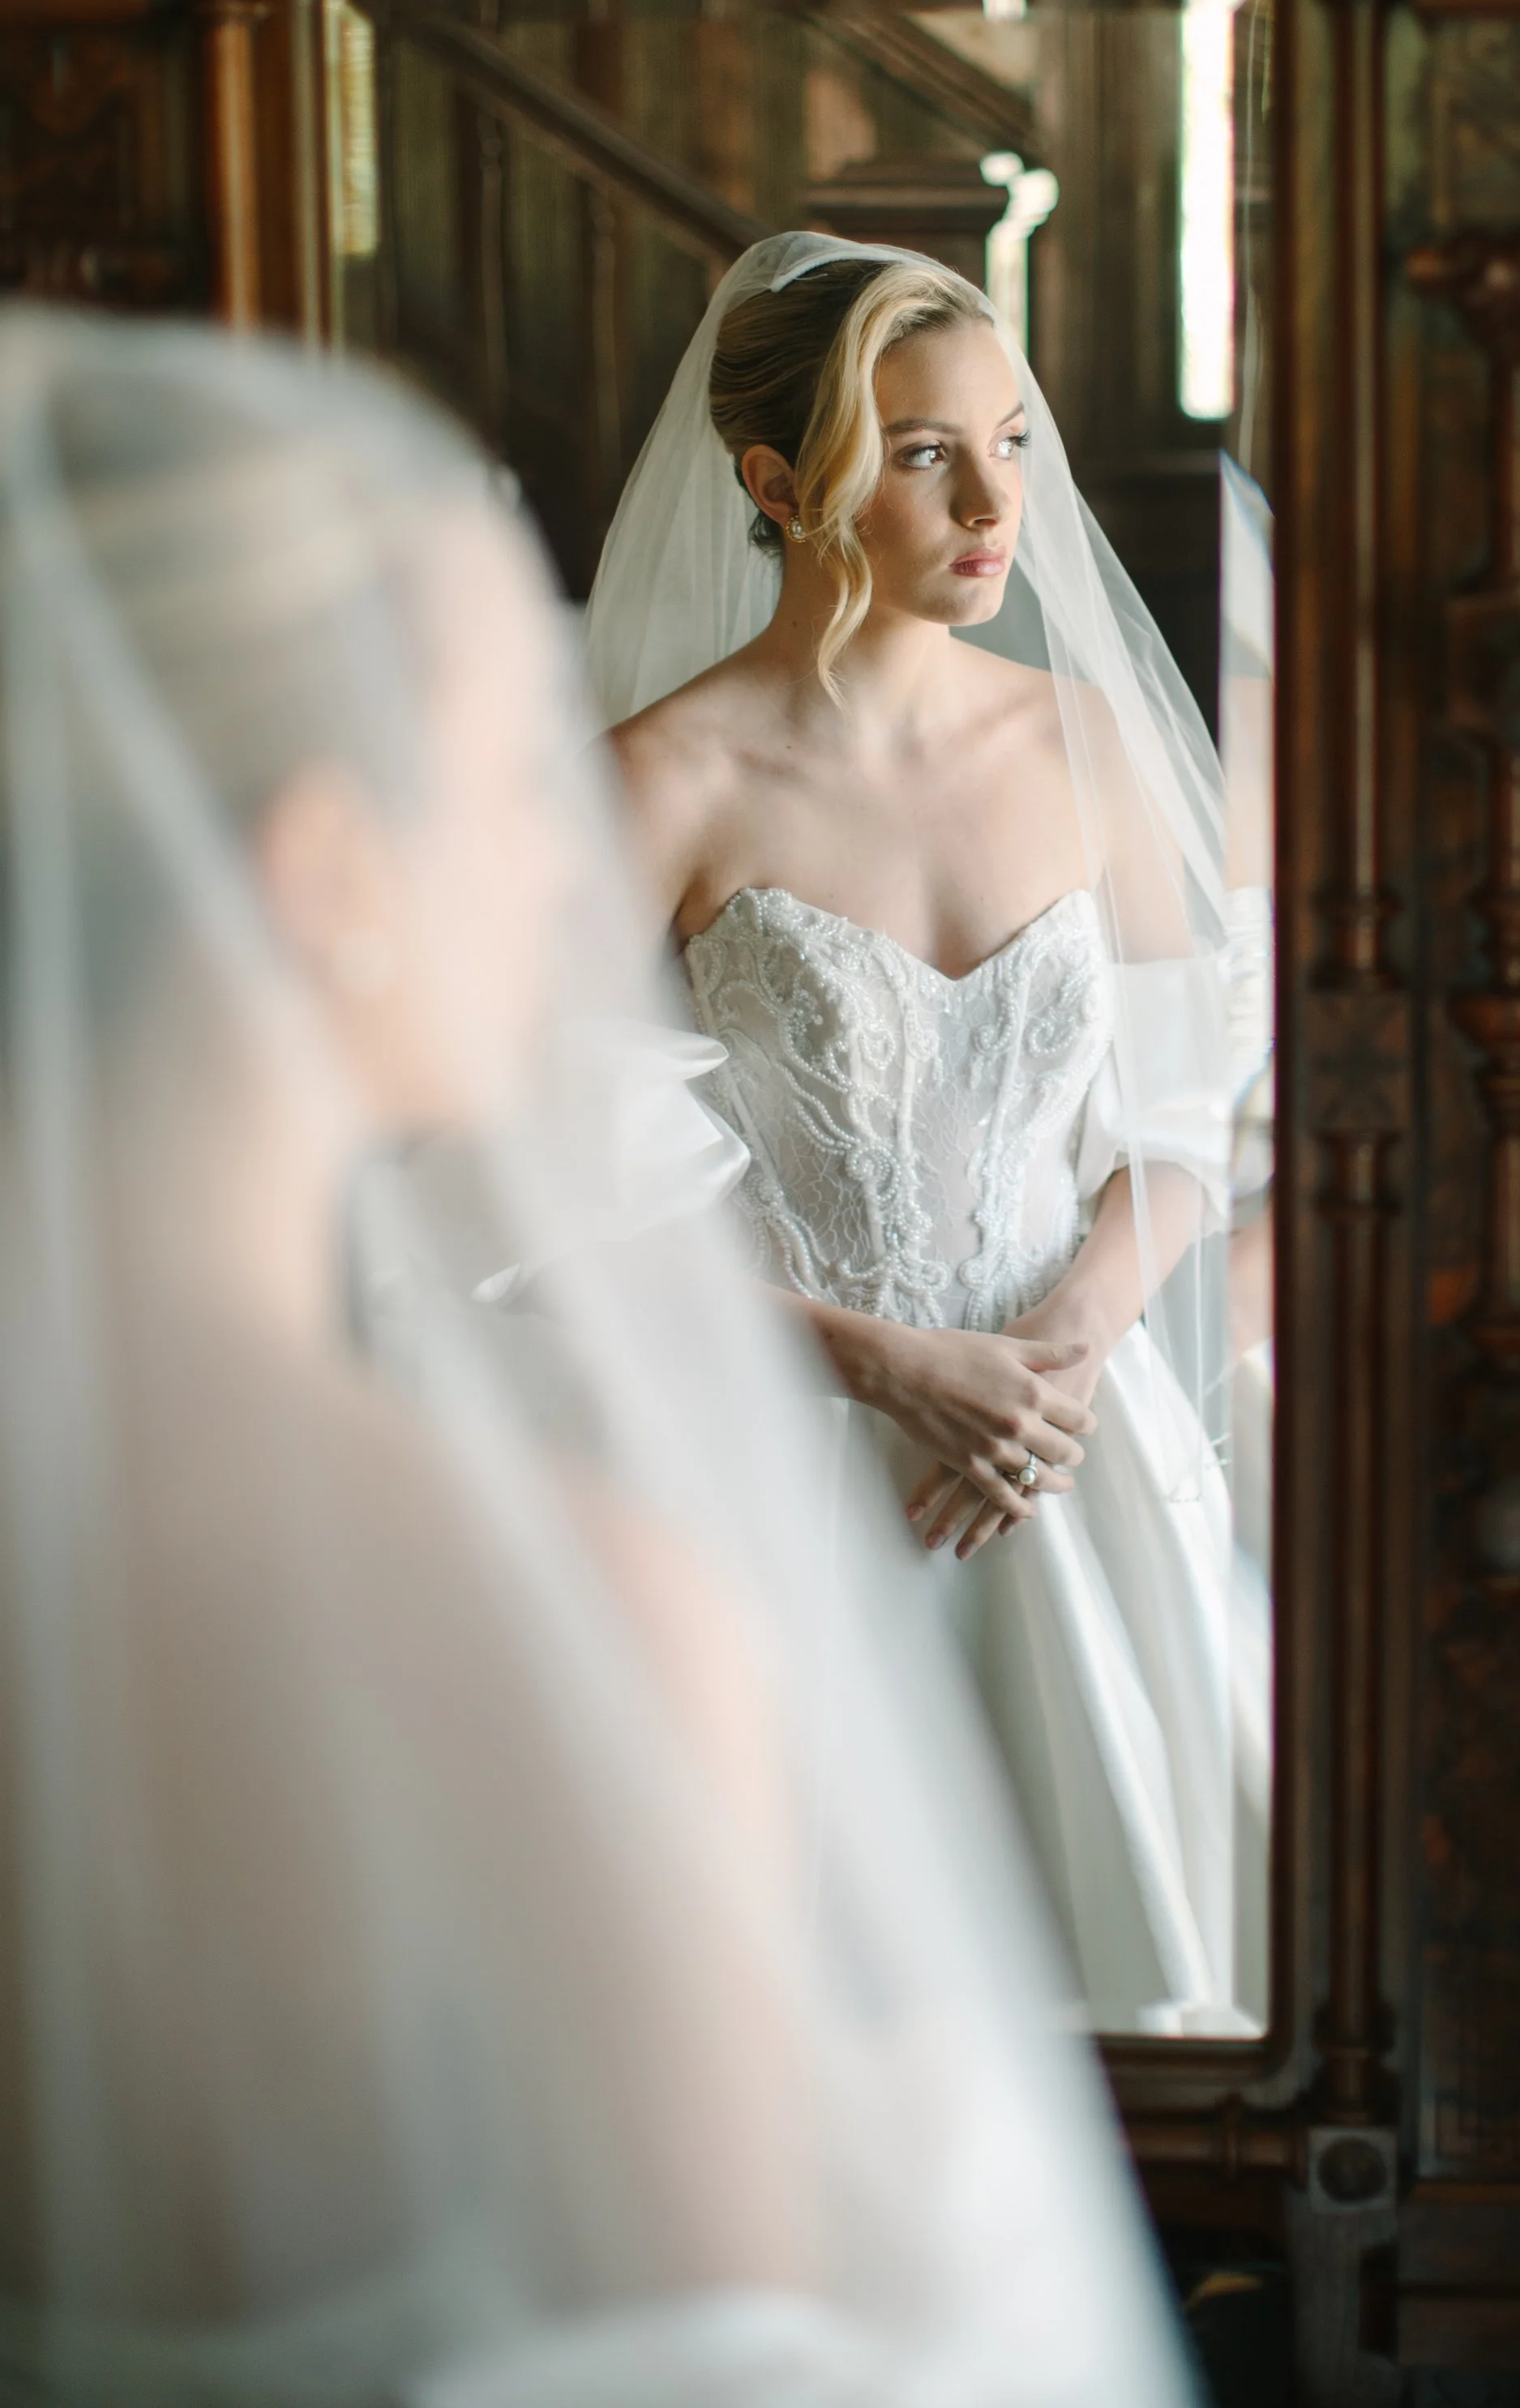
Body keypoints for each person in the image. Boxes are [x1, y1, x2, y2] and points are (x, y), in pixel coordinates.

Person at [0, 303, 1192, 2405]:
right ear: (325, 868)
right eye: (492, 764)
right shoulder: (553, 1622)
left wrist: (1072, 1330)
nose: (551, 842)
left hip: (1075, 1455)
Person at [588, 235, 1267, 2035]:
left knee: (1133, 2000)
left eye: (1012, 440)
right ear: (769, 482)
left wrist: (1057, 1350)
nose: (992, 503)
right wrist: (886, 1361)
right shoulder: (661, 782)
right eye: (919, 454)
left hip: (1069, 1447)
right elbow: (534, 1203)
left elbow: (1192, 1117)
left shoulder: (1088, 748)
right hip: (790, 1472)